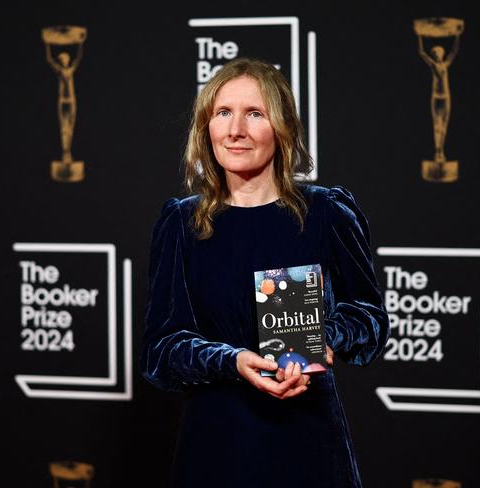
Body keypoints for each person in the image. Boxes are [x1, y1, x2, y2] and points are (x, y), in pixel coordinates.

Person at [140, 57, 390, 488]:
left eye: (254, 113)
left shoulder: (326, 212)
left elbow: (368, 318)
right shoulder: (181, 223)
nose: (235, 129)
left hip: (307, 440)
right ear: (206, 127)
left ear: (282, 126)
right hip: (217, 442)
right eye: (223, 113)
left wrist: (322, 341)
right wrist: (233, 360)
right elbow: (161, 350)